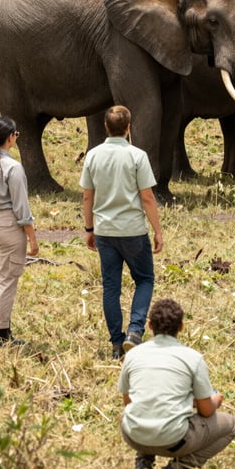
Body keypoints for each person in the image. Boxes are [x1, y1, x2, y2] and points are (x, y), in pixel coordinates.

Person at [118, 297, 235, 469]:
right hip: (174, 440)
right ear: (181, 327)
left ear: (149, 325)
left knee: (138, 408)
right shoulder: (193, 358)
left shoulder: (133, 355)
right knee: (231, 425)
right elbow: (207, 412)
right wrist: (215, 400)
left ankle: (143, 463)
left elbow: (129, 402)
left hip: (134, 436)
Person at [80, 105, 163, 360]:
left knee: (110, 287)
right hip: (133, 231)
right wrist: (158, 231)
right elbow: (147, 197)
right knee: (145, 280)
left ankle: (117, 343)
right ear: (129, 128)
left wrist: (89, 228)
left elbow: (87, 196)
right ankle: (135, 332)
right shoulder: (138, 156)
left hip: (105, 231)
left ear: (105, 127)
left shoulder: (93, 155)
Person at [0, 117, 39, 348]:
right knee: (6, 281)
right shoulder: (13, 168)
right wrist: (32, 238)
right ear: (11, 137)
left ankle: (4, 331)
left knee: (4, 277)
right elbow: (22, 207)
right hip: (8, 224)